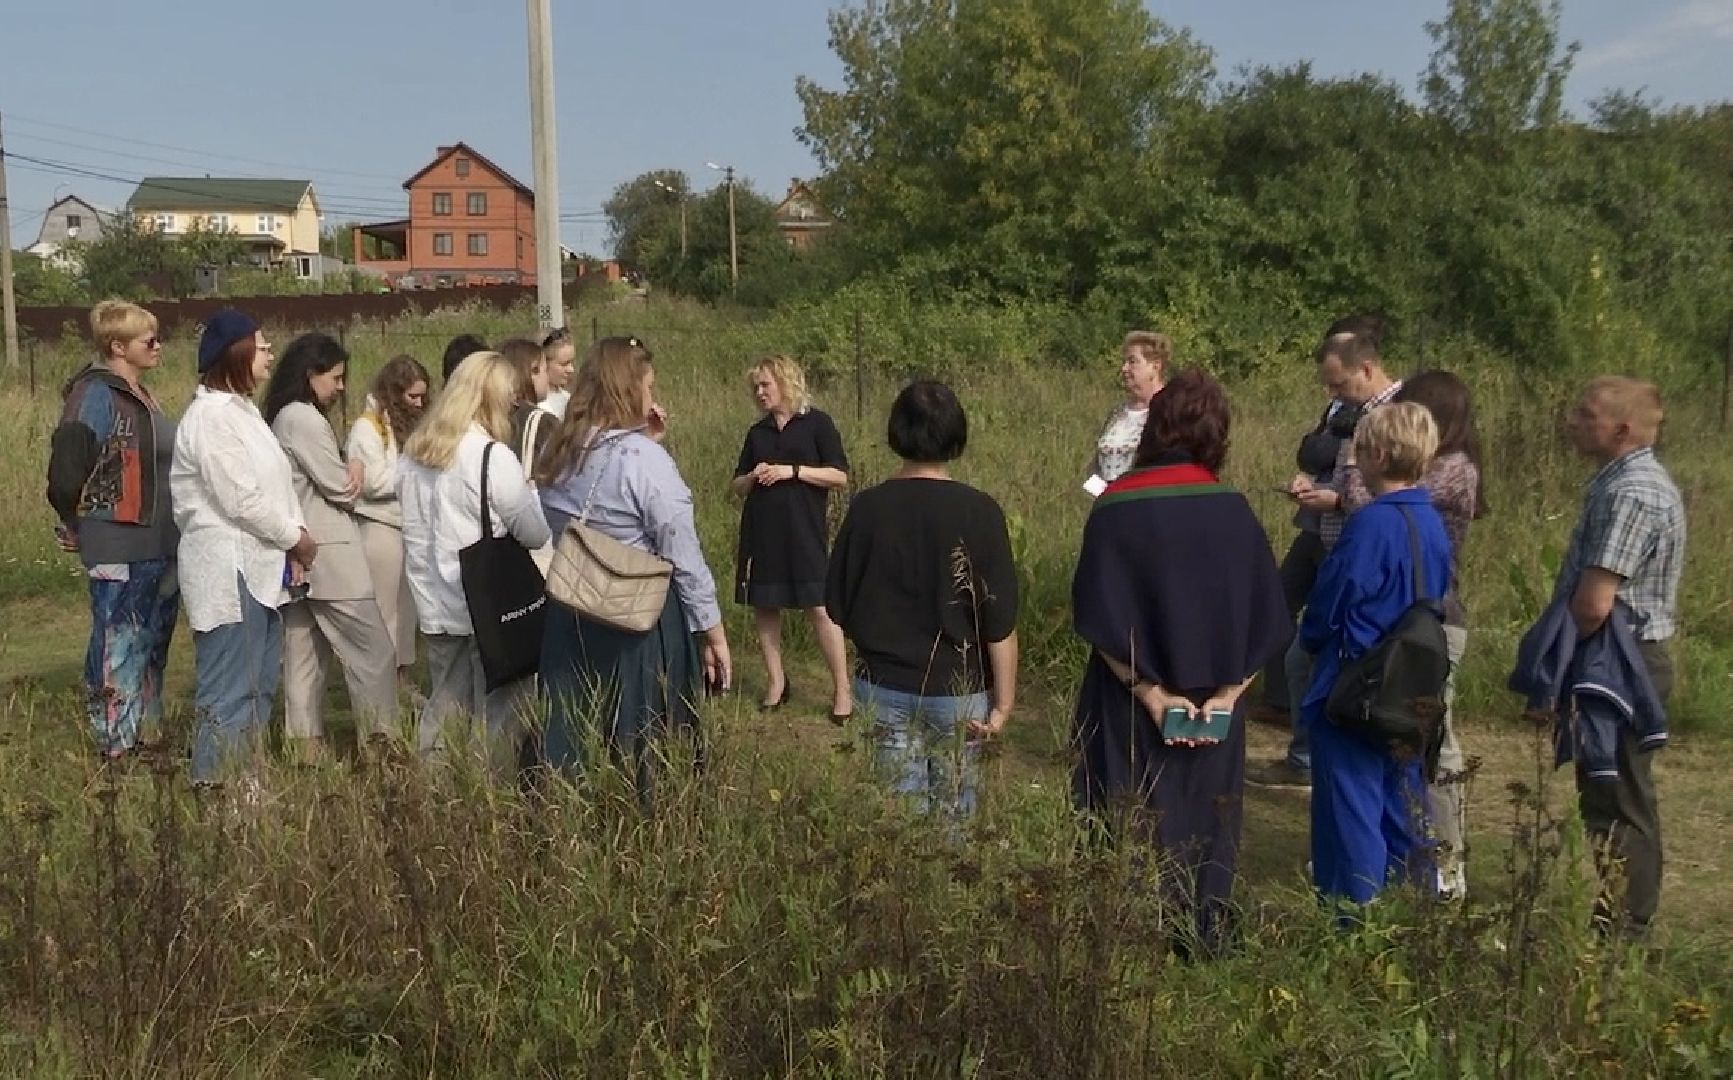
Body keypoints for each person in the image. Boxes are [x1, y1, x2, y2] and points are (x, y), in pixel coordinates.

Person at [1071, 369, 1289, 951]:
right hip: (1213, 710)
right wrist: (1227, 695)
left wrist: (1149, 692)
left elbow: (1098, 618)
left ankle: (1118, 940)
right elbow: (1267, 615)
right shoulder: (1233, 508)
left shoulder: (1117, 505)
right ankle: (1202, 938)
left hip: (1129, 708)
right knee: (1206, 826)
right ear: (1218, 434)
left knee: (1122, 819)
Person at [1522, 377, 1684, 937]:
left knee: (1618, 797)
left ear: (1620, 429)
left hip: (1620, 661)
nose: (1570, 420)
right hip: (1615, 657)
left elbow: (1594, 602)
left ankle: (1624, 930)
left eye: (1584, 413)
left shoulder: (1632, 492)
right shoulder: (1618, 483)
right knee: (1608, 792)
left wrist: (1554, 659)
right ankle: (1620, 918)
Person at [536, 336, 731, 795]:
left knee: (579, 730)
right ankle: (641, 825)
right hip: (637, 619)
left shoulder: (561, 450)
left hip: (573, 610)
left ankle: (573, 820)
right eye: (649, 385)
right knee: (643, 739)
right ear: (630, 391)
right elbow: (681, 552)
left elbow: (550, 519)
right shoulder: (645, 462)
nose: (653, 396)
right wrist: (712, 630)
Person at [826, 380, 1019, 820]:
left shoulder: (867, 508)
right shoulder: (980, 511)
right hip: (959, 691)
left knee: (898, 826)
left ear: (897, 430)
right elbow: (1000, 622)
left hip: (883, 685)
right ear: (956, 433)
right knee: (955, 822)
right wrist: (1003, 706)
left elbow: (836, 605)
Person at [1299, 403, 1452, 908]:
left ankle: (1353, 921)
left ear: (1379, 456)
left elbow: (1335, 596)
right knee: (1404, 803)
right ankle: (1415, 913)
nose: (1354, 462)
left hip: (1359, 682)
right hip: (1413, 682)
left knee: (1350, 808)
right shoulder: (1431, 521)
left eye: (1359, 451)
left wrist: (1312, 638)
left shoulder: (1371, 525)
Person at [1341, 370, 1486, 897]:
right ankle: (1399, 856)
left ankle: (1446, 861)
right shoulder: (1441, 468)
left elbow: (1374, 500)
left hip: (1432, 626)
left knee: (1434, 743)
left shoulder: (1454, 471)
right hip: (1404, 620)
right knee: (1394, 735)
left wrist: (1355, 463)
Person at [1252, 320, 1403, 790]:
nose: (1332, 393)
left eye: (1339, 382)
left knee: (1317, 656)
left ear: (1367, 368)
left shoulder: (1394, 417)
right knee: (1302, 650)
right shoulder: (1356, 412)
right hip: (1331, 539)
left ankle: (1319, 760)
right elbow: (1340, 473)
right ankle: (1306, 754)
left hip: (1360, 557)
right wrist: (1315, 488)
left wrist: (1336, 500)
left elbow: (1389, 497)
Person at [171, 310, 316, 785]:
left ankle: (244, 790)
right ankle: (216, 794)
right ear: (236, 353)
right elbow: (238, 497)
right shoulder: (211, 418)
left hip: (258, 564)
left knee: (257, 688)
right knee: (229, 689)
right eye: (261, 343)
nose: (271, 351)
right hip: (228, 569)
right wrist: (296, 537)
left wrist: (291, 539)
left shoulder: (242, 411)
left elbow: (274, 486)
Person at [399, 351, 551, 770]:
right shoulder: (491, 456)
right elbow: (535, 533)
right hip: (489, 607)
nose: (514, 404)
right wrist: (530, 492)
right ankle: (494, 802)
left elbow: (410, 530)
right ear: (490, 398)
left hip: (434, 603)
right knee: (502, 713)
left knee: (444, 707)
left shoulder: (413, 453)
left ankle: (436, 799)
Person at [45, 300, 180, 760]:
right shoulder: (94, 395)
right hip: (117, 542)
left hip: (159, 543)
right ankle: (114, 748)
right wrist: (76, 522)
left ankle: (145, 734)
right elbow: (66, 470)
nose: (158, 346)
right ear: (118, 346)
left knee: (150, 642)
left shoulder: (142, 394)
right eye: (149, 340)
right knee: (118, 642)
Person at [264, 333, 401, 756]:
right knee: (374, 653)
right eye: (336, 378)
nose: (341, 387)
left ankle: (306, 746)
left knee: (305, 653)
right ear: (311, 374)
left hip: (302, 552)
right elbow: (341, 489)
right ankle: (382, 744)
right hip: (333, 555)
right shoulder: (303, 418)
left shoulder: (283, 416)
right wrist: (356, 465)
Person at [730, 354, 853, 719]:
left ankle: (842, 690)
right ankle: (776, 682)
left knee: (819, 606)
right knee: (765, 605)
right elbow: (736, 485)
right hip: (762, 531)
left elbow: (839, 476)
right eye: (756, 387)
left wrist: (793, 471)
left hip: (804, 531)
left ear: (785, 382)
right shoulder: (758, 433)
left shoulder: (817, 424)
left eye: (765, 384)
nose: (760, 392)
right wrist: (754, 476)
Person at [347, 354, 430, 682]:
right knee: (384, 614)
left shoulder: (404, 425)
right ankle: (380, 686)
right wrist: (413, 470)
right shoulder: (368, 428)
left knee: (405, 614)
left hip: (406, 527)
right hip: (380, 527)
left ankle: (401, 680)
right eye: (412, 396)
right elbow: (371, 481)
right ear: (395, 394)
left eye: (423, 396)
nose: (419, 403)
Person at [1086, 331, 1170, 488]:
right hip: (1111, 505)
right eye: (1124, 362)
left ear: (1155, 366)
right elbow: (1095, 466)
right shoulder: (1116, 415)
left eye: (1132, 362)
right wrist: (1101, 497)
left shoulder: (1170, 412)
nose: (1124, 368)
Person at [540, 326, 577, 418]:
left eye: (571, 362)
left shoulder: (569, 399)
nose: (571, 369)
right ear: (544, 363)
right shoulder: (539, 407)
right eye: (564, 364)